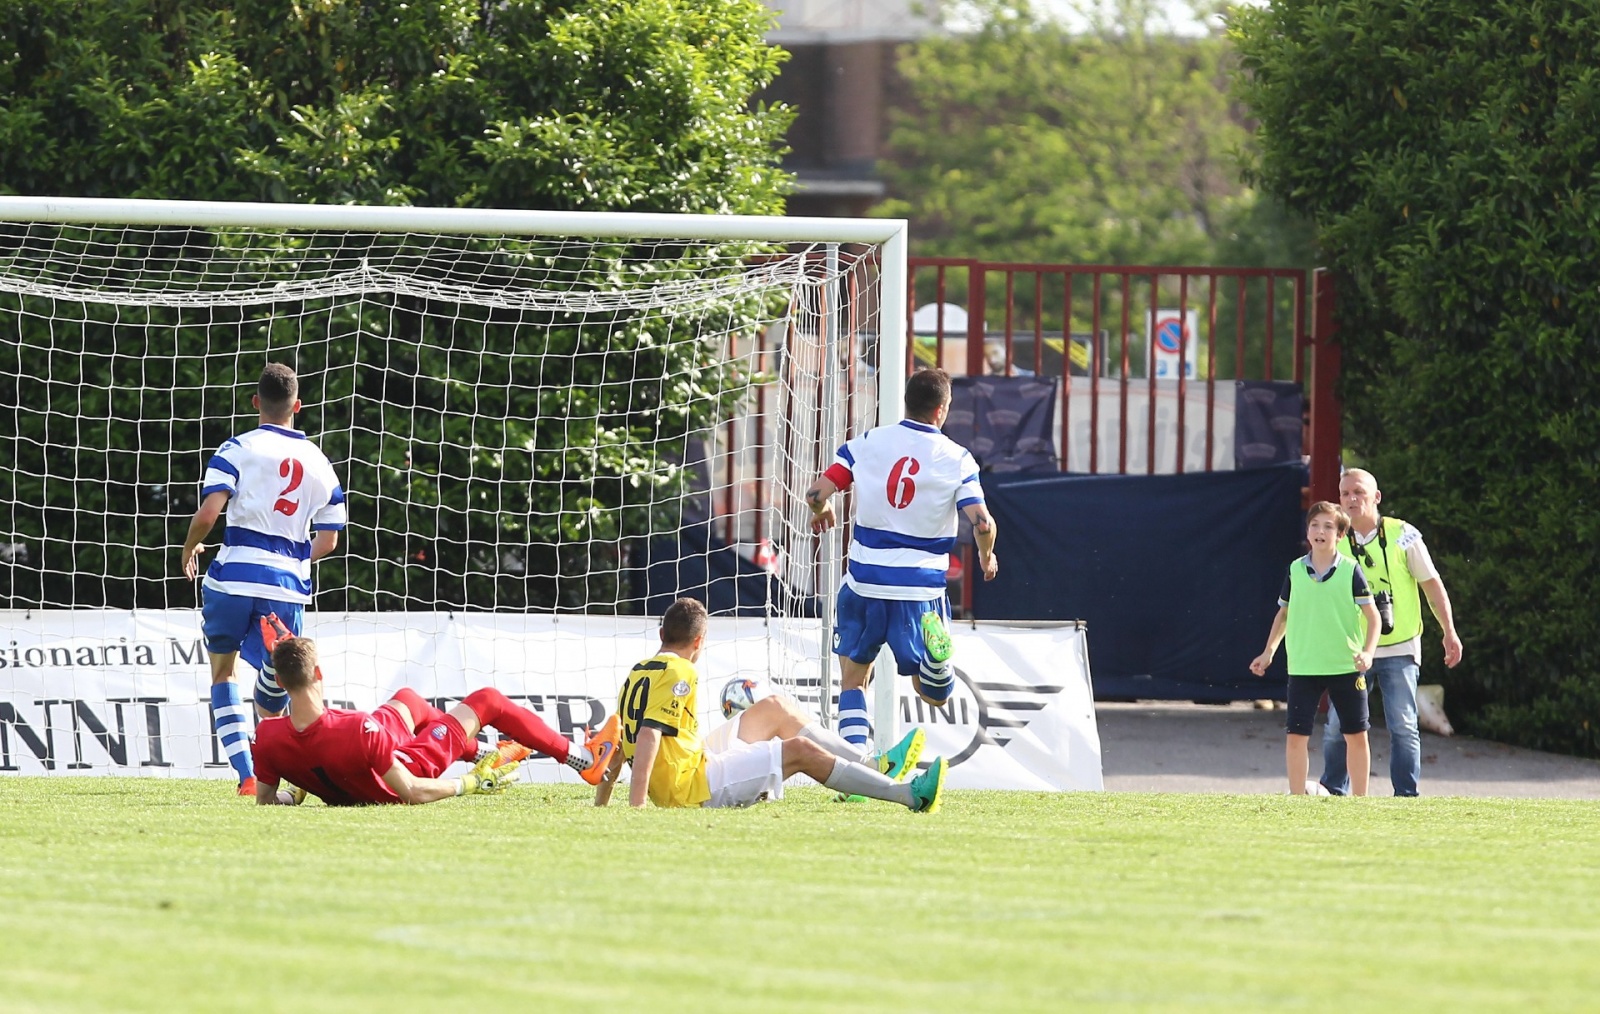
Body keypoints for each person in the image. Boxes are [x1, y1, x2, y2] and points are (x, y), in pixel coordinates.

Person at [593, 597, 947, 813]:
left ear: (661, 635)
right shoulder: (681, 670)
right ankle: (907, 795)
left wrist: (602, 802)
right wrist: (636, 806)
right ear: (699, 640)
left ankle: (872, 765)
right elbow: (651, 735)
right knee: (800, 751)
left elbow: (622, 744)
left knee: (773, 706)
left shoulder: (638, 672)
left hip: (692, 765)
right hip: (692, 788)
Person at [802, 367, 999, 752]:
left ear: (907, 403)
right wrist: (986, 554)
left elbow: (816, 491)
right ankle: (937, 668)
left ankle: (856, 766)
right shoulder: (956, 458)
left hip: (864, 581)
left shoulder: (869, 442)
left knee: (853, 681)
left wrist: (821, 508)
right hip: (919, 588)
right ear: (941, 410)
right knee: (933, 694)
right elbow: (983, 522)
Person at [179, 363, 346, 795]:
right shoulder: (321, 465)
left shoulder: (236, 448)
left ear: (255, 401)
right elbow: (328, 541)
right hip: (285, 585)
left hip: (231, 579)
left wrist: (188, 546)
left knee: (222, 674)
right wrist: (288, 560)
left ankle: (247, 777)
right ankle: (290, 767)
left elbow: (209, 514)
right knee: (283, 682)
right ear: (298, 406)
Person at [252, 625, 621, 806]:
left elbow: (266, 803)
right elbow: (411, 791)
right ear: (319, 674)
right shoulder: (356, 727)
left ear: (280, 683)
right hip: (409, 764)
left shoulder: (268, 737)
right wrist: (471, 784)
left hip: (353, 758)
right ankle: (584, 759)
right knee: (488, 699)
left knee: (407, 700)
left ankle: (482, 752)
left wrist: (295, 795)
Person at [1320, 468, 1463, 797]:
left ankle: (1405, 797)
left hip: (1400, 647)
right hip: (1352, 650)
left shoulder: (1404, 534)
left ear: (1376, 497)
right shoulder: (1335, 538)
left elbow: (1432, 585)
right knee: (1337, 727)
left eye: (1359, 492)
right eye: (1344, 494)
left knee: (1403, 725)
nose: (1352, 499)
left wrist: (1449, 631)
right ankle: (1333, 791)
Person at [1250, 502, 1382, 796]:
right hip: (1304, 665)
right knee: (1296, 735)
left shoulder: (1351, 571)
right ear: (1307, 531)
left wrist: (1368, 652)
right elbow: (1283, 614)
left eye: (1328, 526)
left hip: (1345, 666)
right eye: (1314, 525)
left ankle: (1360, 802)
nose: (1320, 532)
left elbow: (1373, 617)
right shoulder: (1296, 570)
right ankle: (1297, 798)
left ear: (1340, 534)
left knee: (1356, 735)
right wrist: (1269, 651)